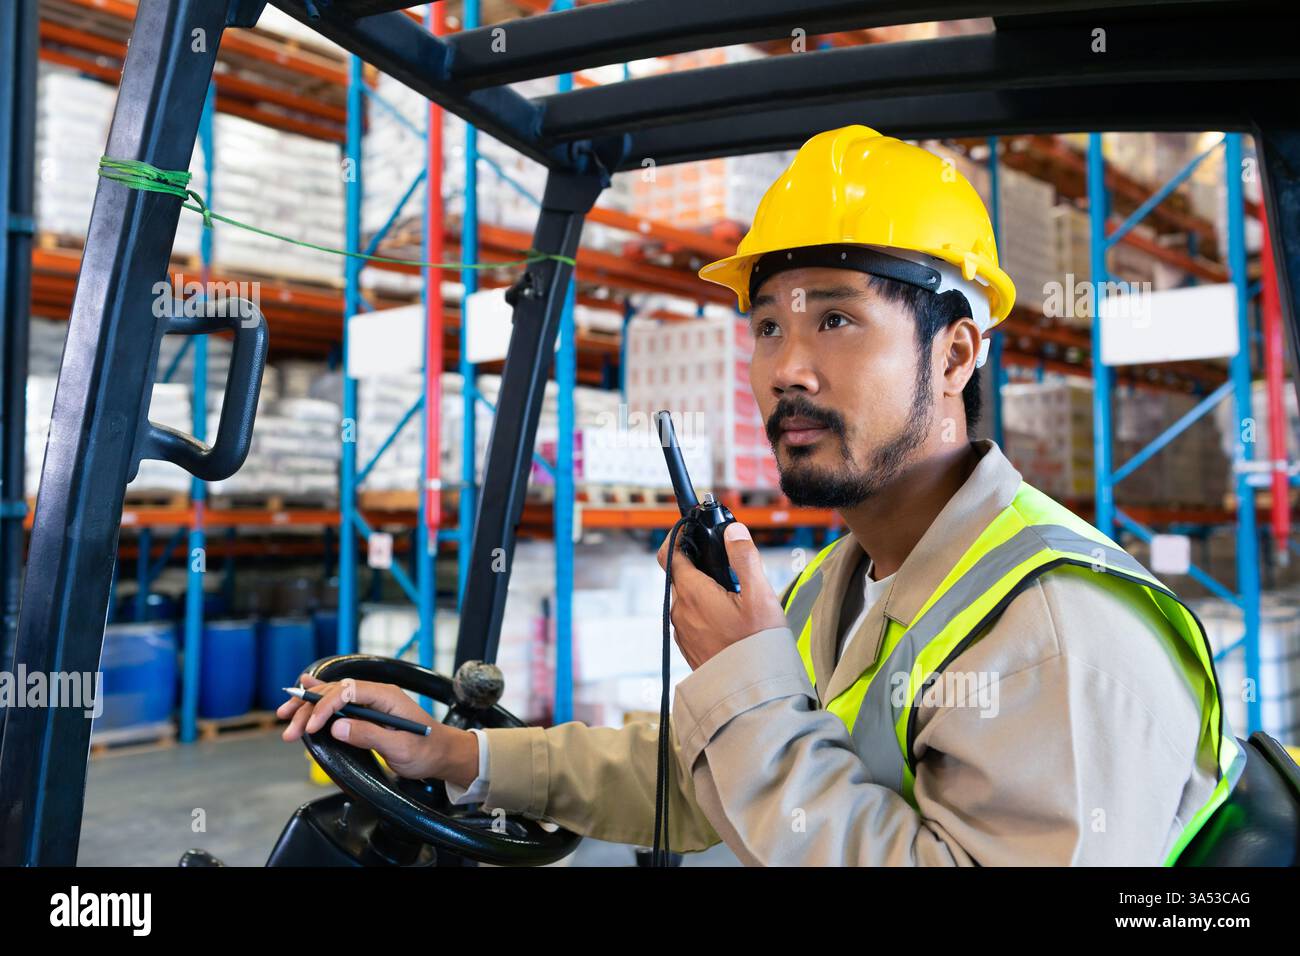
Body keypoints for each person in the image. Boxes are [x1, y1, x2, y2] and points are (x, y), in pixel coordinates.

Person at [280, 125, 1241, 866]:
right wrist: (464, 759)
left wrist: (748, 691)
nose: (789, 370)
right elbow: (704, 777)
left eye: (836, 319)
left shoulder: (1053, 633)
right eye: (767, 326)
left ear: (955, 352)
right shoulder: (840, 585)